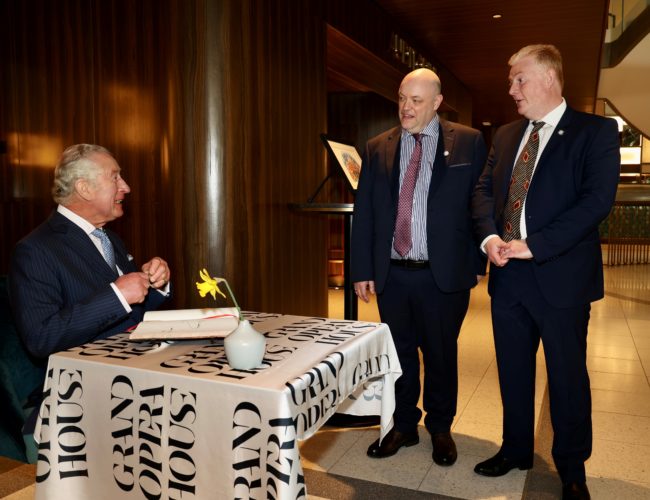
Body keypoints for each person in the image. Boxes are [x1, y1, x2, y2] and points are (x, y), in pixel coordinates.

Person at [471, 45, 620, 500]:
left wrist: (534, 246)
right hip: (507, 277)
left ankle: (572, 468)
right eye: (511, 80)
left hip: (561, 277)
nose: (511, 88)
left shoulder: (594, 132)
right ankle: (515, 448)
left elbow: (596, 202)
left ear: (549, 78)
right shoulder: (505, 134)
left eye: (519, 79)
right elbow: (482, 191)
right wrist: (491, 239)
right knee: (513, 370)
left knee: (568, 376)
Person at [351, 68, 487, 466]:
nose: (406, 108)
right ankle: (405, 426)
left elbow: (480, 205)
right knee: (401, 354)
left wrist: (478, 260)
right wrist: (363, 268)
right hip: (393, 273)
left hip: (441, 274)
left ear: (437, 102)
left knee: (441, 353)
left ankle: (440, 428)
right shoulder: (378, 146)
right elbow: (368, 212)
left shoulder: (468, 141)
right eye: (401, 98)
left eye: (416, 100)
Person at [10, 144, 171, 360]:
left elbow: (132, 313)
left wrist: (155, 283)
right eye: (115, 178)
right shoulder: (34, 250)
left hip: (136, 364)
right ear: (84, 188)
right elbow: (41, 338)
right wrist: (118, 295)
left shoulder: (109, 237)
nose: (126, 186)